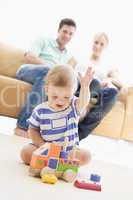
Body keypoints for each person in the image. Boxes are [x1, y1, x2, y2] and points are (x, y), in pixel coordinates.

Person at [15, 18, 77, 137]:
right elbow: (30, 57)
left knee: (57, 82)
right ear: (59, 31)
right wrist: (52, 70)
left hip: (46, 78)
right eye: (65, 31)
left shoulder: (69, 56)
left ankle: (58, 134)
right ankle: (23, 126)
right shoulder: (44, 41)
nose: (67, 35)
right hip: (28, 71)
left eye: (70, 34)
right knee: (49, 73)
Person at [20, 65, 92, 166]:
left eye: (66, 97)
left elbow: (84, 102)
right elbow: (32, 130)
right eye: (55, 96)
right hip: (46, 150)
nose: (60, 101)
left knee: (86, 156)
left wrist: (85, 87)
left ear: (73, 93)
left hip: (68, 151)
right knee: (25, 152)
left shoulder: (73, 106)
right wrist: (41, 145)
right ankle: (54, 163)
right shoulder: (40, 110)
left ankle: (54, 163)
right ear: (47, 90)